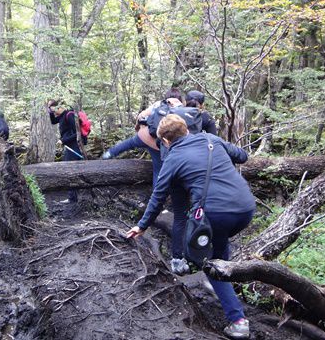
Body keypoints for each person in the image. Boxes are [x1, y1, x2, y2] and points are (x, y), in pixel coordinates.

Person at [126, 114, 255, 340]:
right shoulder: (211, 140)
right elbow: (242, 156)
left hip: (216, 214)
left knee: (208, 261)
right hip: (245, 208)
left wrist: (142, 225)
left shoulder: (172, 158)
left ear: (165, 141)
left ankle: (238, 321)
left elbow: (158, 196)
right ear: (186, 129)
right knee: (219, 247)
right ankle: (222, 279)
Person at [101, 88, 184, 187]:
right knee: (158, 170)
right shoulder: (181, 109)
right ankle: (157, 197)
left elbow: (141, 116)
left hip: (145, 135)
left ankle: (109, 154)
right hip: (159, 144)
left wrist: (139, 129)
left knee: (128, 143)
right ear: (179, 98)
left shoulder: (159, 104)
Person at [48, 100, 82, 204]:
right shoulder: (62, 115)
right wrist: (49, 110)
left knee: (70, 170)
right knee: (71, 170)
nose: (54, 113)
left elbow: (77, 133)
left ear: (60, 107)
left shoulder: (69, 115)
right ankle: (73, 197)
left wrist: (63, 140)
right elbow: (53, 121)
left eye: (54, 111)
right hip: (69, 146)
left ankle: (72, 199)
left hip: (74, 147)